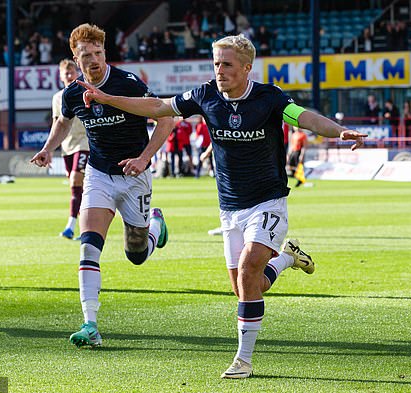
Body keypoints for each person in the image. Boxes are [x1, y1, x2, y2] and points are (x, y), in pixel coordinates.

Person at [76, 34, 366, 378]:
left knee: (247, 270)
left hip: (268, 202)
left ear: (246, 68)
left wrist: (338, 131)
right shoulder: (204, 95)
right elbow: (158, 107)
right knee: (246, 287)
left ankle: (243, 360)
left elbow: (304, 118)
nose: (219, 70)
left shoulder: (269, 98)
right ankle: (287, 257)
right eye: (216, 63)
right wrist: (108, 98)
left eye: (227, 64)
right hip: (230, 207)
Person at [30, 23, 173, 348]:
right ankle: (90, 324)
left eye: (98, 53)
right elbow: (63, 122)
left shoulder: (128, 83)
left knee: (136, 254)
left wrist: (144, 158)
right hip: (99, 175)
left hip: (135, 177)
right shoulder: (71, 94)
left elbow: (166, 119)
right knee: (89, 245)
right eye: (86, 55)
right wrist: (47, 148)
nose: (94, 60)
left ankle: (155, 226)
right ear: (76, 59)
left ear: (105, 52)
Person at [53, 59, 90, 240]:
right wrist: (50, 149)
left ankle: (70, 226)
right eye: (65, 73)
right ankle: (86, 228)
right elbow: (56, 123)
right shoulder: (57, 98)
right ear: (60, 77)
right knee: (77, 188)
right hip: (67, 146)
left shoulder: (84, 92)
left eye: (71, 72)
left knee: (76, 180)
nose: (69, 75)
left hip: (84, 143)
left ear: (77, 73)